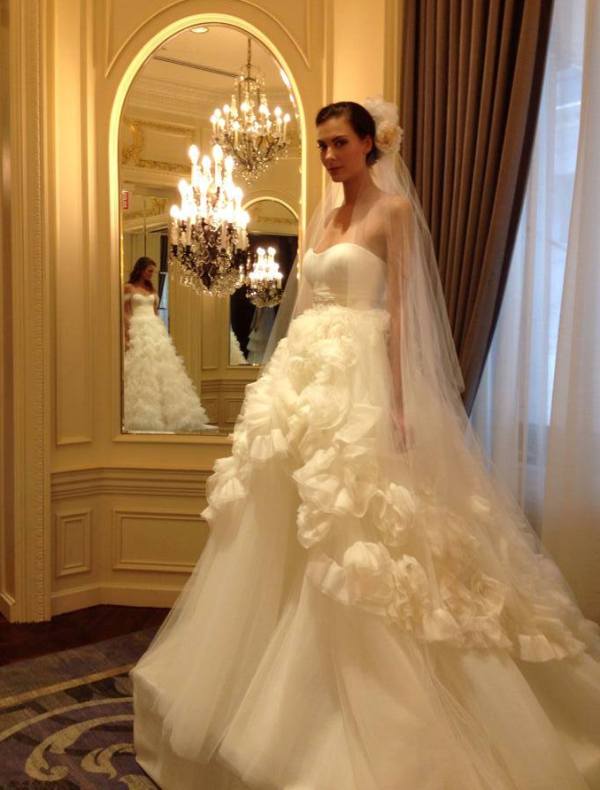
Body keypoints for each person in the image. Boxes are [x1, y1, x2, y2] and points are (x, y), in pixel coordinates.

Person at [131, 101, 600, 789]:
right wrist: (279, 386)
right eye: (321, 145)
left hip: (362, 384)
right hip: (305, 381)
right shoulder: (322, 218)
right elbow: (303, 307)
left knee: (358, 527)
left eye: (339, 143)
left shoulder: (394, 213)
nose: (328, 156)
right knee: (282, 523)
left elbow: (405, 312)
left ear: (370, 146)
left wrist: (404, 405)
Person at [123, 256, 211, 432]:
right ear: (141, 270)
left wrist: (161, 330)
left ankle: (170, 415)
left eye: (153, 272)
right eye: (149, 271)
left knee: (163, 368)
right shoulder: (128, 287)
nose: (151, 274)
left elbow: (155, 312)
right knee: (143, 368)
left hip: (154, 328)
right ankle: (144, 414)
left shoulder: (151, 289)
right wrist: (128, 333)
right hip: (138, 328)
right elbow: (125, 312)